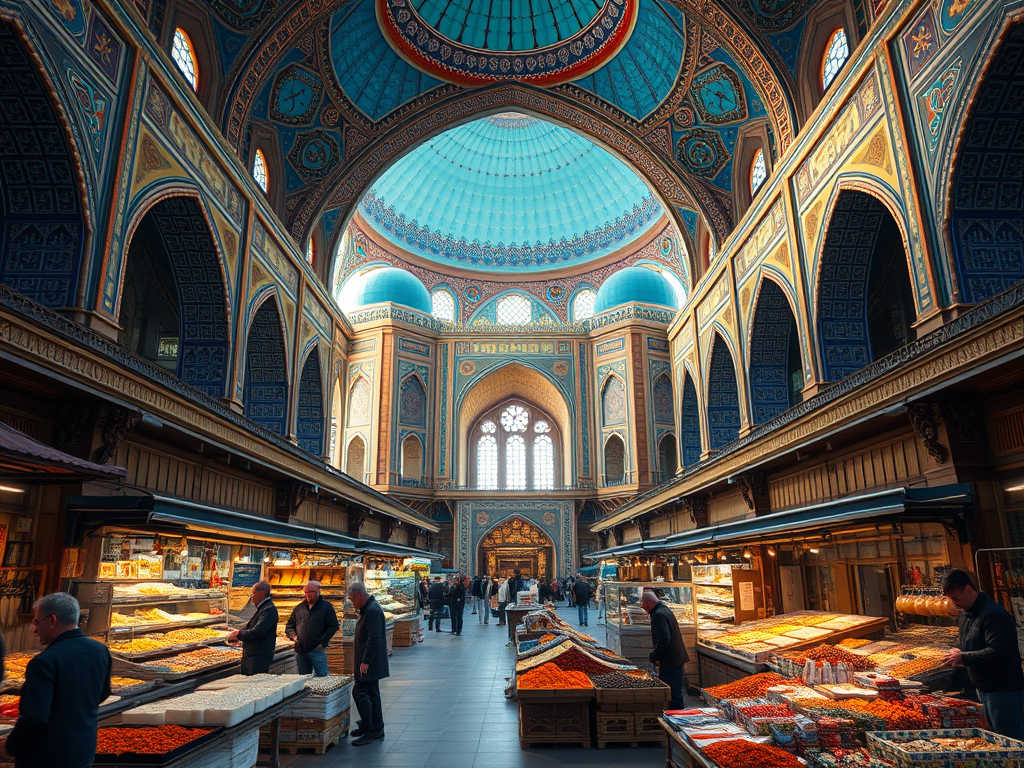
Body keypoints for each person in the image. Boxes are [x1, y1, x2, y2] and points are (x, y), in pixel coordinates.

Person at [5, 592, 111, 768]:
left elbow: (35, 718)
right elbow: (103, 694)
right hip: (84, 751)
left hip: (47, 757)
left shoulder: (44, 662)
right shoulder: (100, 651)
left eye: (36, 622)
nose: (35, 630)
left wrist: (10, 746)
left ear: (52, 620)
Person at [942, 569, 1024, 739]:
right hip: (983, 688)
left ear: (968, 590)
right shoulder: (966, 615)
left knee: (1009, 739)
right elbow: (971, 644)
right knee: (994, 738)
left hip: (1002, 690)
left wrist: (963, 657)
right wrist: (960, 650)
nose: (955, 604)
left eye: (956, 598)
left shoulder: (993, 615)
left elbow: (997, 652)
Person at [347, 583, 389, 746]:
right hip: (370, 662)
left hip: (370, 663)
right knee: (371, 694)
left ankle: (371, 729)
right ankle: (374, 727)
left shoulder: (372, 611)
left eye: (352, 599)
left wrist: (365, 661)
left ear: (359, 595)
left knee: (360, 692)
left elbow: (373, 638)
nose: (352, 603)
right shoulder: (368, 609)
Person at [642, 589, 688, 710]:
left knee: (673, 692)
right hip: (676, 658)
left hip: (670, 660)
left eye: (643, 604)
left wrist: (655, 655)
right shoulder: (664, 609)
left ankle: (676, 715)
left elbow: (664, 639)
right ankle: (677, 713)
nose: (643, 607)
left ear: (648, 602)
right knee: (676, 689)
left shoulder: (658, 615)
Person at [285, 580, 339, 677]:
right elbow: (289, 625)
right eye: (306, 592)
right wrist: (293, 636)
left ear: (318, 591)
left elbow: (333, 626)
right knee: (303, 678)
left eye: (311, 591)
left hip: (316, 649)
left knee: (322, 677)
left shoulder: (326, 607)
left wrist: (322, 642)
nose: (308, 594)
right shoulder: (299, 608)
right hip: (300, 650)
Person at [229, 580, 278, 675]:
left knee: (253, 681)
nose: (252, 597)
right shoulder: (264, 608)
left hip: (258, 657)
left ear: (261, 594)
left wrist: (239, 634)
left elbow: (258, 632)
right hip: (254, 656)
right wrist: (241, 632)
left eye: (253, 594)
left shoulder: (268, 610)